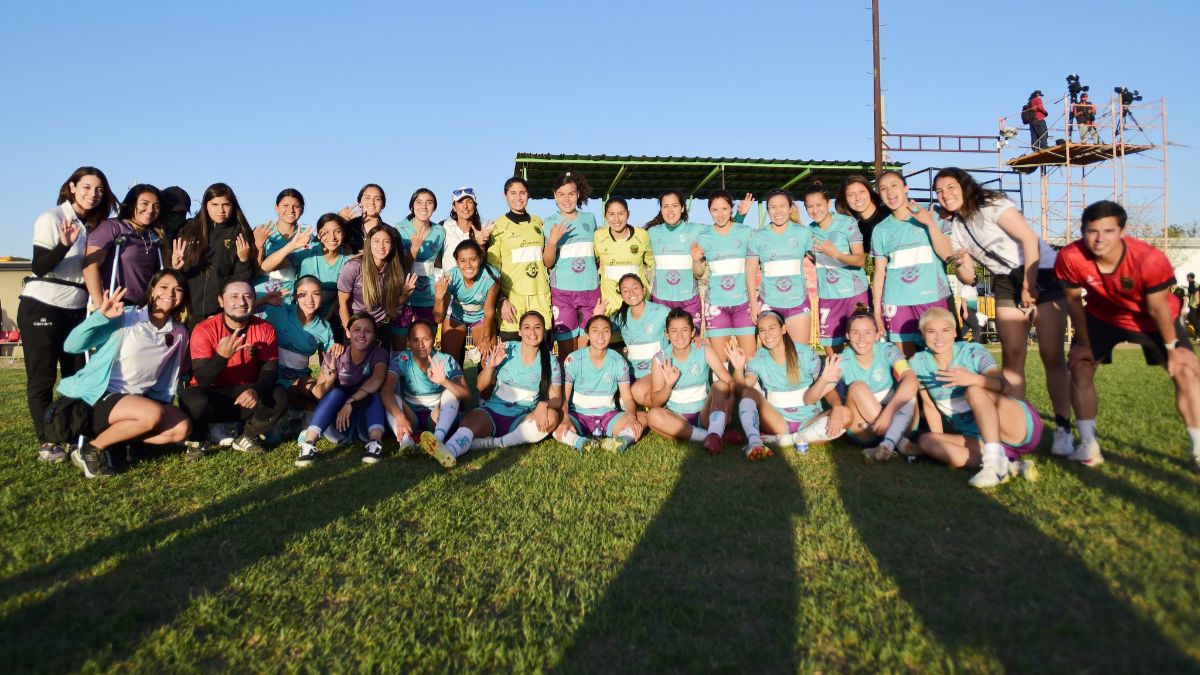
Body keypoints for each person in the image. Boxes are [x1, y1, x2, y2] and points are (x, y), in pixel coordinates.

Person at [935, 167, 1073, 455]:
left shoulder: (991, 204)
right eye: (939, 191)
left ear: (964, 186)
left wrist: (1029, 284)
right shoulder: (957, 228)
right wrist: (961, 261)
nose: (945, 195)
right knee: (1012, 357)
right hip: (1004, 281)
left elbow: (1028, 240)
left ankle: (1063, 429)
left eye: (950, 187)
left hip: (1040, 271)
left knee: (1051, 355)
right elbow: (969, 279)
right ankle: (1017, 429)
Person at [1055, 200, 1200, 473]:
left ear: (1123, 231)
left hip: (1152, 319)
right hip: (1102, 316)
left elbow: (1156, 307)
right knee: (1080, 366)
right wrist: (1083, 344)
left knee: (1186, 373)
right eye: (1092, 231)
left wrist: (1173, 348)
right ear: (1082, 230)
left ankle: (1199, 450)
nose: (1099, 239)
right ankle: (1089, 446)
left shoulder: (1149, 259)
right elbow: (1074, 302)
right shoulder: (1070, 256)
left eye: (1108, 231)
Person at [19, 166, 117, 462]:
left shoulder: (94, 224)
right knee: (43, 376)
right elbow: (39, 266)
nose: (93, 194)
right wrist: (63, 244)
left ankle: (74, 434)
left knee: (78, 375)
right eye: (87, 187)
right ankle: (47, 441)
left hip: (77, 310)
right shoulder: (53, 218)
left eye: (99, 189)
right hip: (43, 305)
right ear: (72, 187)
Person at [56, 271, 193, 478]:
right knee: (152, 415)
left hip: (139, 401)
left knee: (181, 428)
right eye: (164, 287)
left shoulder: (178, 332)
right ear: (153, 289)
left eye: (178, 289)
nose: (171, 293)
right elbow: (71, 345)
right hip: (100, 397)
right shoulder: (125, 316)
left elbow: (171, 373)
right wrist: (100, 317)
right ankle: (90, 450)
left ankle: (120, 439)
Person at [910, 307, 1042, 488]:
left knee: (974, 390)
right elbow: (930, 406)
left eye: (945, 330)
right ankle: (1009, 465)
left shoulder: (971, 351)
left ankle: (995, 465)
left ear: (955, 332)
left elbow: (1005, 385)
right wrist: (938, 444)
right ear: (923, 336)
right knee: (927, 441)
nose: (939, 338)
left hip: (1017, 428)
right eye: (932, 332)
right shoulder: (919, 363)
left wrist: (972, 379)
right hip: (979, 439)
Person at [178, 278, 289, 458]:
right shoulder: (204, 329)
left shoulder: (265, 329)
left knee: (279, 394)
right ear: (221, 301)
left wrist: (256, 390)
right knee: (192, 398)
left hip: (245, 394)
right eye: (234, 296)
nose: (242, 302)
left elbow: (270, 372)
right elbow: (202, 379)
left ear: (254, 300)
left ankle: (248, 436)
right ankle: (199, 438)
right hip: (211, 394)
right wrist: (222, 357)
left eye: (248, 296)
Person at [435, 311, 562, 467]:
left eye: (537, 327)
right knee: (469, 423)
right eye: (527, 327)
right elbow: (480, 386)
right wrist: (490, 367)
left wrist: (544, 404)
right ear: (520, 331)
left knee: (552, 417)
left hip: (522, 419)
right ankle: (448, 452)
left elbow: (557, 399)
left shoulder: (551, 361)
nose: (532, 332)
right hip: (492, 414)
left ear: (544, 330)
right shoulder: (506, 349)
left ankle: (493, 443)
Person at [729, 310, 850, 461]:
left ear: (783, 329)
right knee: (749, 392)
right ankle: (755, 443)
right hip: (777, 421)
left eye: (772, 328)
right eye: (762, 330)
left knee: (847, 414)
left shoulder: (806, 353)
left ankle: (786, 440)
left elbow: (826, 388)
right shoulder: (758, 358)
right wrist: (739, 370)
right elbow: (742, 390)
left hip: (809, 420)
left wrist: (837, 406)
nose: (767, 334)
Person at [870, 171, 954, 357]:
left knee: (940, 359)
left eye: (894, 185)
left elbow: (948, 253)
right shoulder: (880, 230)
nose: (889, 192)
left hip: (932, 297)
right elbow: (879, 274)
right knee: (904, 365)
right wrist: (877, 312)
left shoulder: (933, 212)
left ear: (906, 188)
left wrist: (931, 223)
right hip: (896, 302)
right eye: (883, 189)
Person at [294, 312, 389, 467]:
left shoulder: (379, 353)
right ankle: (309, 444)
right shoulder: (336, 355)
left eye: (368, 331)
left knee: (374, 394)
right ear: (347, 332)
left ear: (374, 335)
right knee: (336, 392)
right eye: (357, 329)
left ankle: (375, 444)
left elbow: (377, 378)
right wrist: (329, 381)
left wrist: (350, 402)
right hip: (338, 426)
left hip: (367, 424)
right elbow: (318, 394)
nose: (362, 335)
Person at [640, 308, 735, 454]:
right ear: (667, 334)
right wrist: (668, 385)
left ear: (692, 332)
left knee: (721, 385)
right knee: (653, 416)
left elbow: (729, 380)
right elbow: (655, 402)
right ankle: (711, 435)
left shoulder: (703, 350)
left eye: (684, 330)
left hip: (705, 413)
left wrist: (732, 400)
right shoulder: (660, 358)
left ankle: (714, 430)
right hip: (677, 417)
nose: (679, 335)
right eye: (674, 331)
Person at [837, 305, 920, 462]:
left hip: (895, 417)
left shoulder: (888, 350)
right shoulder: (842, 359)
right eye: (856, 333)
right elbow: (824, 389)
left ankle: (888, 443)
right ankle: (899, 442)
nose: (862, 339)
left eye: (868, 333)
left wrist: (888, 413)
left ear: (877, 334)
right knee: (858, 387)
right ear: (848, 335)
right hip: (863, 428)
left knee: (909, 386)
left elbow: (910, 379)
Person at [258, 275, 341, 432]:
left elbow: (327, 361)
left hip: (298, 380)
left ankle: (307, 423)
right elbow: (244, 315)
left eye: (315, 293)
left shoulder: (324, 328)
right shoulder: (279, 311)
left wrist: (323, 386)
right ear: (295, 295)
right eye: (303, 294)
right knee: (271, 439)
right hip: (271, 377)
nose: (309, 299)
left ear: (322, 296)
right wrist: (263, 301)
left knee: (314, 389)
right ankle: (279, 418)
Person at [382, 319, 470, 463]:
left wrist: (445, 382)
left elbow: (467, 395)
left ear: (434, 340)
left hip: (437, 417)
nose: (421, 345)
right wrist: (399, 417)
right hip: (410, 416)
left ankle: (437, 441)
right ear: (409, 341)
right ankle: (406, 441)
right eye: (415, 340)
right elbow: (386, 390)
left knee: (450, 393)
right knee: (392, 396)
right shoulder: (402, 359)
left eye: (426, 339)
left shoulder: (446, 360)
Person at [553, 315, 644, 453]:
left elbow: (628, 398)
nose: (600, 335)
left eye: (606, 331)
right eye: (595, 330)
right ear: (587, 334)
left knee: (642, 418)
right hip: (578, 415)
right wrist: (565, 418)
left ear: (612, 335)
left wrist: (631, 418)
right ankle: (578, 441)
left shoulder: (618, 361)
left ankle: (622, 440)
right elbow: (564, 396)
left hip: (607, 414)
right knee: (555, 420)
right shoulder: (574, 359)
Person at [804, 182, 870, 357]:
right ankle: (837, 385)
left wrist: (836, 254)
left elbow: (860, 260)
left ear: (828, 203)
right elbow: (812, 258)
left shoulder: (847, 223)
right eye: (809, 206)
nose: (815, 210)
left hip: (855, 293)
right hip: (828, 296)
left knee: (862, 346)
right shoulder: (808, 232)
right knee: (833, 353)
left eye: (819, 205)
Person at [174, 183, 257, 322]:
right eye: (214, 204)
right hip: (185, 312)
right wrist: (175, 268)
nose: (221, 210)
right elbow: (174, 274)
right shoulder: (188, 229)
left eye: (226, 204)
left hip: (218, 314)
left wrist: (244, 261)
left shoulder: (239, 232)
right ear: (206, 205)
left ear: (233, 206)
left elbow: (241, 281)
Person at [693, 190, 757, 367]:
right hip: (716, 306)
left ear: (731, 209)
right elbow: (698, 273)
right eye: (715, 210)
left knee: (749, 361)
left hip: (743, 304)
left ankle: (749, 395)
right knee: (721, 363)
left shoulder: (746, 232)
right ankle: (724, 395)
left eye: (724, 209)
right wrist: (695, 260)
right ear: (709, 211)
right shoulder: (704, 237)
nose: (720, 214)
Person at [483, 177, 552, 340]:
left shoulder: (539, 223)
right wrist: (501, 299)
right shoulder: (498, 226)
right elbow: (493, 269)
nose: (518, 197)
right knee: (513, 355)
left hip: (540, 296)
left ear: (528, 195)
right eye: (513, 193)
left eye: (522, 193)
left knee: (543, 351)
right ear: (505, 196)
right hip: (513, 300)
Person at [543, 171, 601, 362]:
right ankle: (566, 389)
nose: (566, 199)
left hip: (590, 289)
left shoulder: (590, 219)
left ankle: (584, 388)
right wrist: (552, 242)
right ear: (555, 196)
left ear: (578, 194)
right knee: (567, 352)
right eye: (562, 194)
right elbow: (547, 262)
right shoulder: (549, 222)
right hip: (562, 292)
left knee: (587, 347)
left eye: (571, 194)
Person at [747, 190, 814, 347]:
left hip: (797, 303)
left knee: (800, 355)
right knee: (773, 358)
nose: (778, 211)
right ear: (768, 210)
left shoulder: (803, 233)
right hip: (768, 305)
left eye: (782, 206)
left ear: (791, 208)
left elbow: (820, 261)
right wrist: (753, 304)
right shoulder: (758, 236)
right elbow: (750, 272)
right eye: (773, 207)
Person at [261, 213, 349, 330]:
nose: (332, 237)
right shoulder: (308, 251)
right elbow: (266, 266)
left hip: (328, 321)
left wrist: (325, 321)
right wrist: (292, 246)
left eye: (337, 231)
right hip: (299, 317)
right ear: (318, 234)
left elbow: (340, 296)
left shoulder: (349, 261)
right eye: (325, 232)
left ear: (343, 233)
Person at [83, 184, 165, 308]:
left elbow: (164, 273)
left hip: (144, 306)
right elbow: (90, 267)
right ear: (131, 204)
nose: (151, 210)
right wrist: (101, 306)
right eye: (144, 203)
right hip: (115, 302)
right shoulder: (113, 227)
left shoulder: (155, 236)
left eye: (156, 206)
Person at [337, 224, 416, 348]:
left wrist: (404, 295)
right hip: (355, 323)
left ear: (393, 245)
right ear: (368, 244)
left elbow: (391, 305)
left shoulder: (396, 269)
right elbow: (342, 303)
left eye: (386, 241)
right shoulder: (353, 267)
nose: (381, 246)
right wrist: (349, 329)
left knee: (379, 364)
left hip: (381, 324)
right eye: (376, 241)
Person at [433, 240, 500, 365]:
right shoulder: (450, 277)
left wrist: (486, 340)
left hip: (481, 318)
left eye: (473, 259)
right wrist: (438, 298)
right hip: (456, 316)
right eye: (463, 260)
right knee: (449, 364)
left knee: (489, 362)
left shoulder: (491, 276)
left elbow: (489, 311)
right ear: (457, 262)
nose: (468, 265)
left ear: (480, 259)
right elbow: (438, 319)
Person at [393, 188, 445, 349]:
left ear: (434, 207)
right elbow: (400, 266)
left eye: (429, 202)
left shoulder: (440, 231)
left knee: (426, 343)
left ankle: (424, 373)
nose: (424, 206)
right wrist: (414, 248)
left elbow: (439, 263)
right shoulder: (399, 230)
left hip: (428, 295)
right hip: (404, 293)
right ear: (411, 207)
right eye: (419, 202)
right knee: (399, 343)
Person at [608, 274, 671, 406]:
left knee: (637, 391)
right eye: (625, 290)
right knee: (618, 400)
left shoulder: (661, 312)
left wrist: (697, 337)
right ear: (622, 296)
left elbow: (680, 325)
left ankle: (664, 409)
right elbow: (599, 329)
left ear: (643, 290)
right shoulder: (619, 317)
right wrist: (597, 316)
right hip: (633, 373)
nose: (631, 293)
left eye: (635, 288)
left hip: (657, 372)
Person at [593, 196, 654, 330]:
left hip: (638, 305)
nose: (616, 219)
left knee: (641, 347)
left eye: (621, 213)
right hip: (611, 308)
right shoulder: (599, 236)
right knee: (615, 349)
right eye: (611, 214)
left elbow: (654, 262)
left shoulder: (642, 235)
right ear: (605, 215)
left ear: (628, 213)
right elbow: (589, 261)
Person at [644, 189, 702, 328]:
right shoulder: (652, 232)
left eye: (674, 205)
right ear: (661, 210)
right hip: (661, 301)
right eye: (665, 206)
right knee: (665, 346)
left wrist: (740, 215)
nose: (670, 210)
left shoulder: (696, 230)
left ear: (682, 208)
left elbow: (723, 229)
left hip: (689, 300)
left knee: (692, 343)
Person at [251, 189, 308, 298]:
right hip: (259, 291)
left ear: (302, 210)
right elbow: (255, 270)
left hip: (287, 293)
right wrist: (259, 246)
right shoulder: (262, 230)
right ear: (276, 208)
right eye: (285, 205)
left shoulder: (306, 235)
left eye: (296, 206)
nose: (291, 210)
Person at [835, 174, 890, 254]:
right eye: (851, 195)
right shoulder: (855, 229)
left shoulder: (888, 213)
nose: (858, 198)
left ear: (870, 192)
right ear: (846, 201)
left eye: (862, 192)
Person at [440, 187, 486, 273]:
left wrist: (482, 245)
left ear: (475, 205)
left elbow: (487, 263)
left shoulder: (484, 229)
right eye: (460, 202)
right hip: (449, 284)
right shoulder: (444, 227)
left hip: (475, 284)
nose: (465, 206)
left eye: (469, 202)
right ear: (454, 207)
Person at [339, 183, 389, 255]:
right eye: (367, 198)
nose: (372, 202)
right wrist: (340, 221)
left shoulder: (390, 232)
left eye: (377, 199)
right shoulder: (347, 226)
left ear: (383, 205)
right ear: (359, 202)